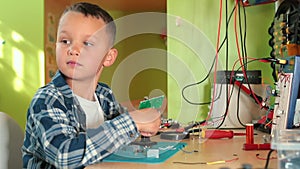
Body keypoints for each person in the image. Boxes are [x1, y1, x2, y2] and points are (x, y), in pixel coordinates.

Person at [22, 2, 161, 168]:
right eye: (65, 40)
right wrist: (131, 122)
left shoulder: (104, 95)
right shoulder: (47, 100)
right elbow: (65, 156)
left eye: (87, 43)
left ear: (108, 57)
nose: (73, 50)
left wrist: (143, 122)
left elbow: (117, 134)